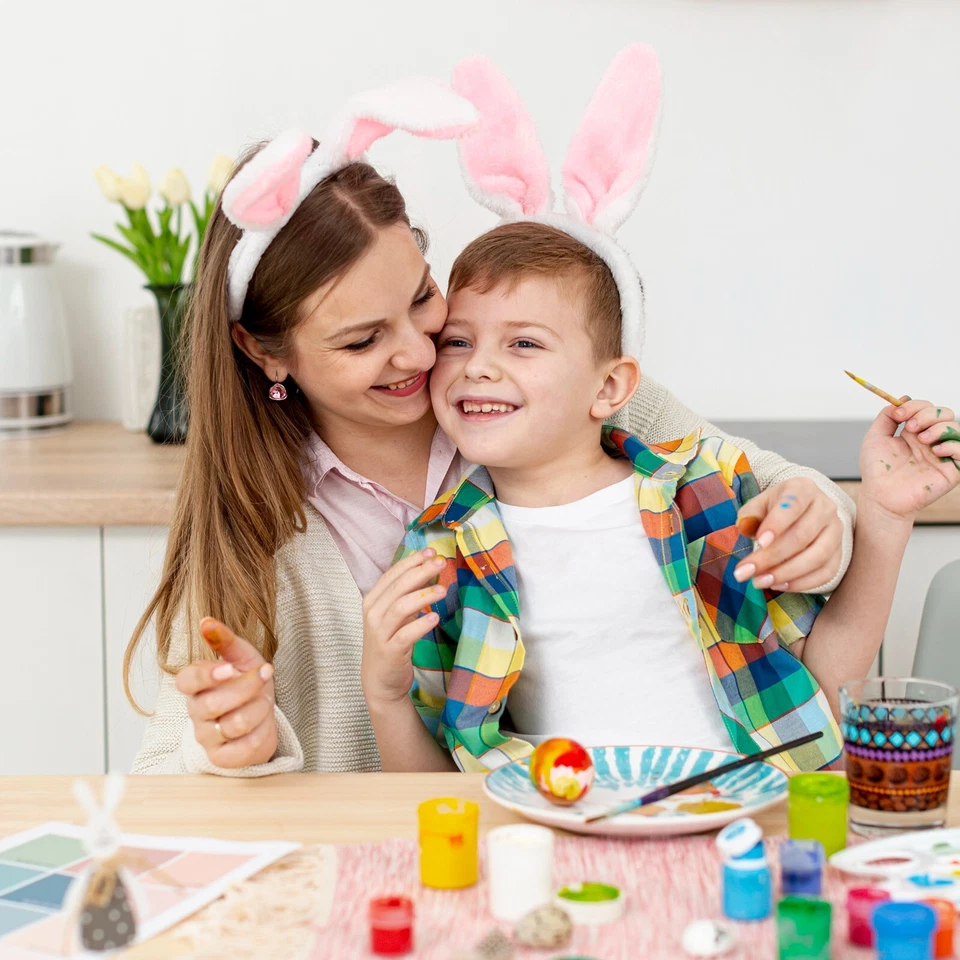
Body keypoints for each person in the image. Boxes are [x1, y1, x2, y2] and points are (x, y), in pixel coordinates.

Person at [129, 73, 856, 777]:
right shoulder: (254, 522)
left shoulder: (563, 396)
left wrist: (820, 516)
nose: (420, 353)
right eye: (362, 341)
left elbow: (771, 481)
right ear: (263, 351)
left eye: (421, 298)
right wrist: (236, 748)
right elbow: (166, 771)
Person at [365, 219, 960, 773]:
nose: (479, 367)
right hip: (573, 835)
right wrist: (386, 698)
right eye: (458, 343)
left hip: (751, 818)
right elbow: (442, 789)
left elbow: (824, 687)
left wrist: (885, 513)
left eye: (523, 344)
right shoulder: (438, 549)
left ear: (610, 386)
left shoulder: (709, 487)